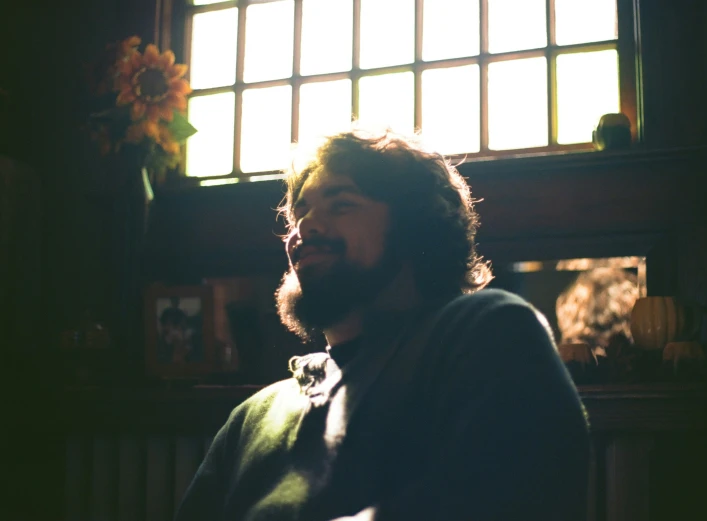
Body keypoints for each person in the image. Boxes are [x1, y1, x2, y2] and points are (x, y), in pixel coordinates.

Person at [175, 129, 590, 521]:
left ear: (414, 228)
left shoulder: (489, 333)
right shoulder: (252, 417)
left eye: (342, 204)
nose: (306, 226)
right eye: (301, 210)